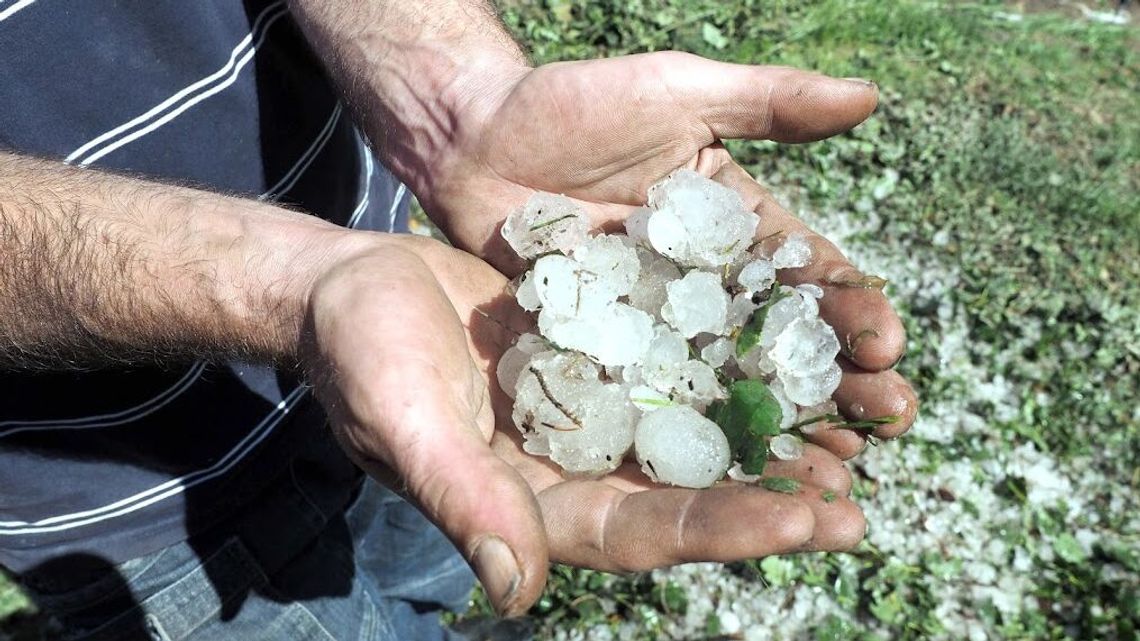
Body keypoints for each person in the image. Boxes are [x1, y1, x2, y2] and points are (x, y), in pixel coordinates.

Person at [0, 1, 917, 639]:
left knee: (440, 564)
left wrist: (454, 100)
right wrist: (286, 282)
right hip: (129, 505)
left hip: (425, 326)